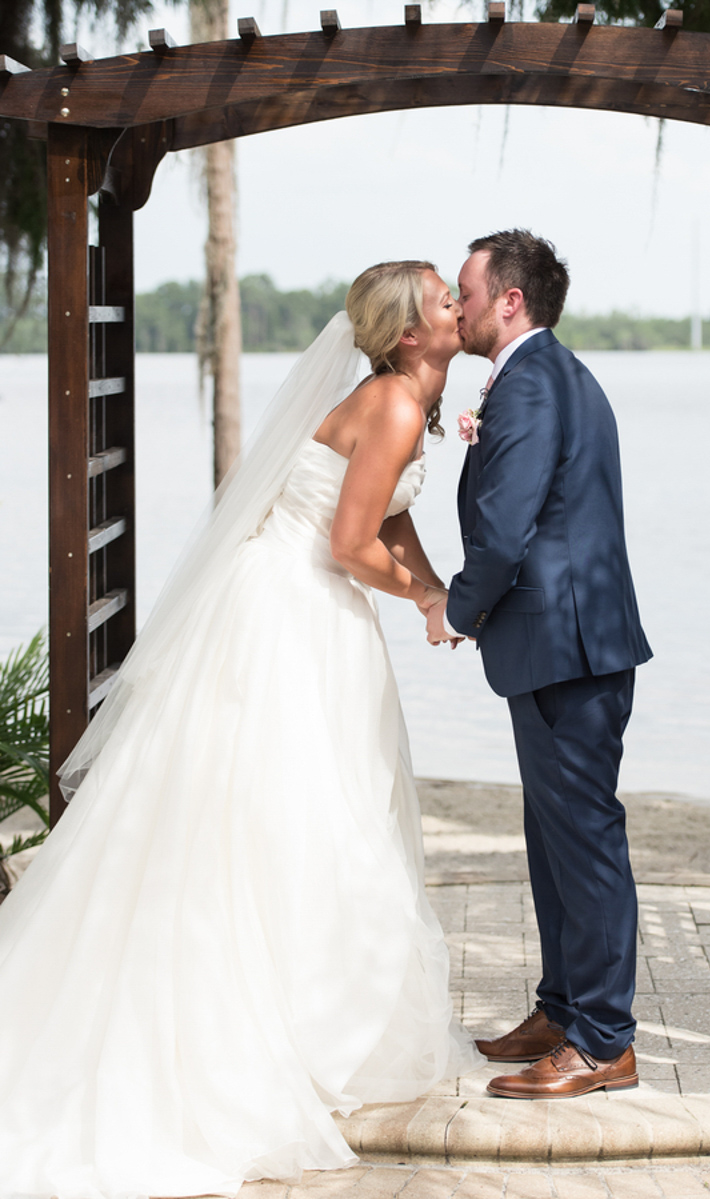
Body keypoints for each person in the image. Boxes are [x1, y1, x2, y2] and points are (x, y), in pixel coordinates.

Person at [0, 261, 483, 1197]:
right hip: (296, 611)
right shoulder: (392, 402)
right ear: (409, 335)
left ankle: (303, 1008)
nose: (458, 305)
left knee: (299, 808)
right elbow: (350, 543)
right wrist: (428, 600)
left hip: (299, 598)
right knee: (298, 813)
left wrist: (435, 583)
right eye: (443, 298)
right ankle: (283, 1025)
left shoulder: (404, 398)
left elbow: (391, 513)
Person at [423, 230, 652, 1100]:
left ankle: (603, 1041)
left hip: (569, 647)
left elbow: (505, 530)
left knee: (585, 840)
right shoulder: (550, 374)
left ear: (510, 300)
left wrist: (457, 608)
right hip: (562, 643)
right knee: (554, 838)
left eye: (469, 291)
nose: (460, 305)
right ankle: (562, 1009)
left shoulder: (530, 384)